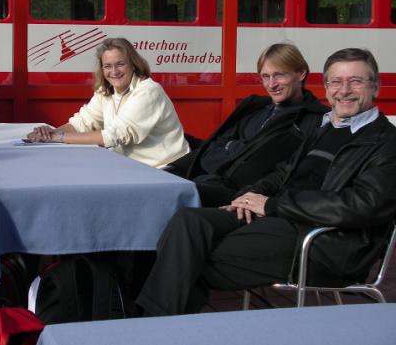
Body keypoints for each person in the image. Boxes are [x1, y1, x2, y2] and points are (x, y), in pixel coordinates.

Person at [136, 48, 396, 316]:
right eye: (336, 82)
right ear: (327, 88)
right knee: (189, 221)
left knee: (188, 258)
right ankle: (160, 323)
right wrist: (251, 195)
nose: (344, 90)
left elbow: (362, 205)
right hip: (282, 217)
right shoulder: (325, 126)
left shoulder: (386, 142)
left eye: (356, 81)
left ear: (375, 86)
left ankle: (153, 323)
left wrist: (273, 205)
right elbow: (283, 172)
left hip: (325, 241)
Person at [182, 42, 327, 206]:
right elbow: (211, 151)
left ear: (301, 73)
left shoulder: (314, 119)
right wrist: (241, 151)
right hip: (209, 180)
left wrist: (231, 147)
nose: (271, 84)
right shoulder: (255, 107)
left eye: (279, 75)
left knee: (177, 195)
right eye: (265, 76)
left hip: (244, 196)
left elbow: (265, 167)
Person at [27, 37, 189, 170]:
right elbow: (82, 123)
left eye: (120, 64)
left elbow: (115, 135)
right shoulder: (105, 91)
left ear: (133, 64)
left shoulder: (148, 91)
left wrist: (58, 137)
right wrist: (48, 134)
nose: (114, 71)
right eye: (107, 66)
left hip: (163, 169)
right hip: (130, 166)